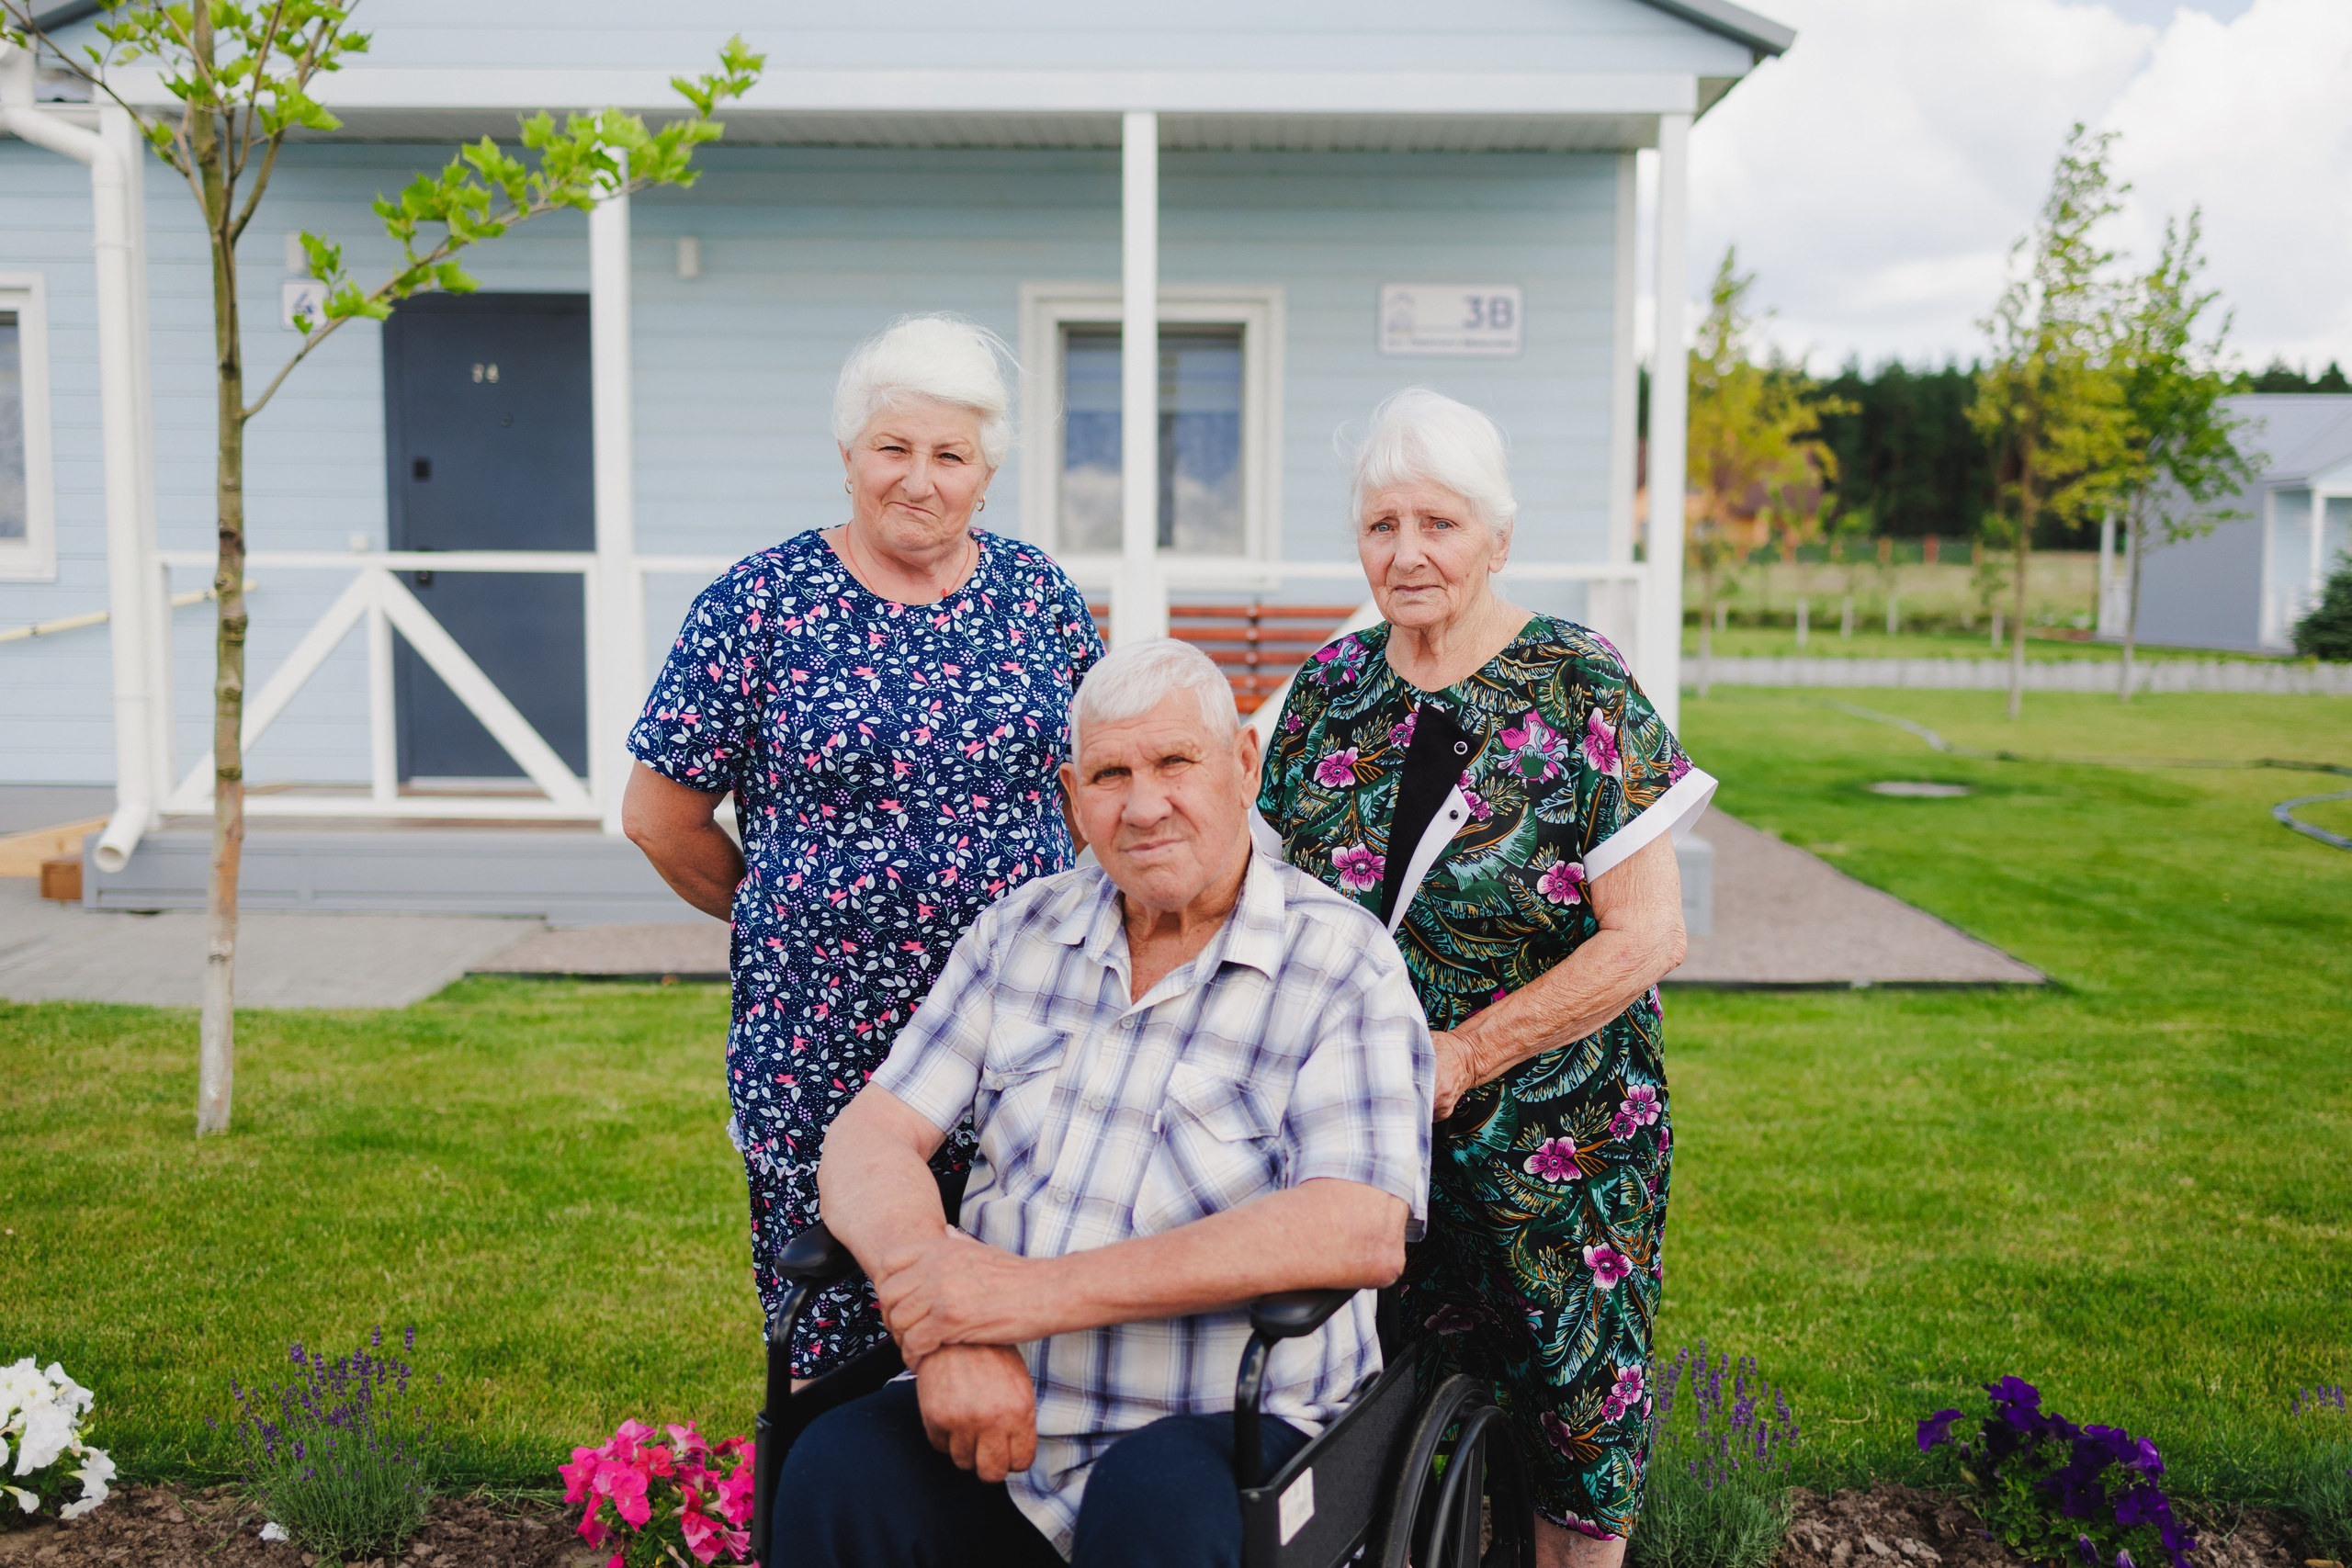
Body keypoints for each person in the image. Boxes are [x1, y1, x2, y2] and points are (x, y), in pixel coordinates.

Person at [773, 638, 1436, 1568]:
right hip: (1001, 1404)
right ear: (1071, 797)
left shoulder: (1340, 962)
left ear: (1244, 765)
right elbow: (872, 1131)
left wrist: (1021, 1301)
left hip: (1225, 1424)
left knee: (1154, 1501)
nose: (1143, 804)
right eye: (1110, 774)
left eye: (1175, 762)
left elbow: (1358, 1226)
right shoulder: (1020, 931)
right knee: (836, 1465)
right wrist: (942, 1328)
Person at [1256, 389, 1715, 1568]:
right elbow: (1258, 888)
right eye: (1378, 526)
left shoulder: (1579, 685)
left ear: (1496, 538)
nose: (1404, 554)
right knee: (1367, 1405)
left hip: (1555, 1136)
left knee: (1572, 1419)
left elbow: (1649, 934)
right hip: (1359, 1130)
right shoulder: (1329, 688)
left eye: (1438, 524)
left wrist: (1467, 1053)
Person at [622, 314, 1103, 1383]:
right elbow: (660, 817)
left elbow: (1093, 785)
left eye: (950, 455)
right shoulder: (758, 604)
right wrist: (782, 911)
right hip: (821, 1038)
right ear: (848, 456)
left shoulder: (1038, 598)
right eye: (894, 448)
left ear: (986, 474)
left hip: (1019, 1027)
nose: (918, 479)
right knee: (838, 1317)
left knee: (1012, 1301)